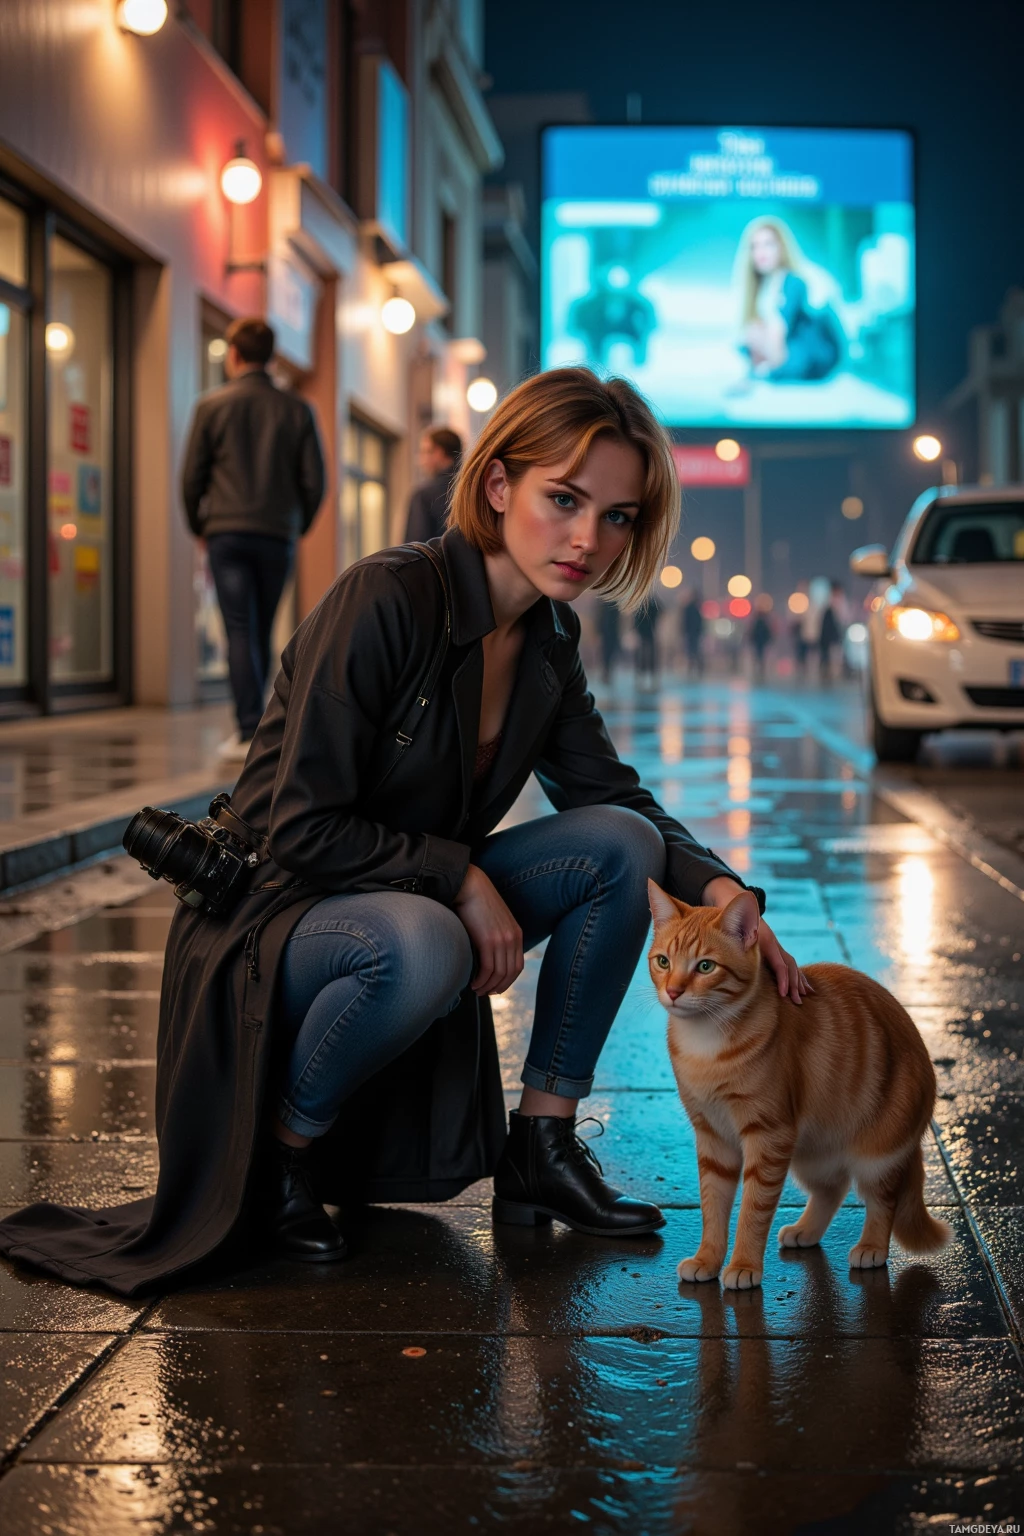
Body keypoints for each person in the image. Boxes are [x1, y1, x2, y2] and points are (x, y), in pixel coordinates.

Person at [0, 368, 809, 1294]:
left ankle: (541, 1146)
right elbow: (302, 828)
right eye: (564, 499)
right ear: (499, 486)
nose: (588, 538)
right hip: (279, 910)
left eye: (617, 516)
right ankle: (279, 1156)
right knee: (425, 940)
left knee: (619, 846)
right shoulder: (387, 597)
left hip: (404, 890)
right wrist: (460, 876)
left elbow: (621, 799)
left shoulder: (548, 641)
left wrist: (727, 897)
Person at [182, 317, 325, 761]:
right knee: (261, 628)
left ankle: (247, 729)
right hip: (275, 534)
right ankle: (262, 728)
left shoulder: (211, 406)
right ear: (271, 356)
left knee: (239, 628)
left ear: (235, 354)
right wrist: (294, 526)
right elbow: (315, 481)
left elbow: (191, 478)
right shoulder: (297, 408)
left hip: (226, 532)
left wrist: (199, 527)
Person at [733, 219, 843, 386]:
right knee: (749, 337)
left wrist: (768, 366)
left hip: (815, 354)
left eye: (768, 244)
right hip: (791, 349)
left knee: (755, 338)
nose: (761, 252)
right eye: (755, 246)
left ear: (781, 248)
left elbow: (778, 333)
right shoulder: (765, 286)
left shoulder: (792, 281)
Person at [405, 426, 462, 542]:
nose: (420, 460)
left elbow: (414, 548)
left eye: (425, 452)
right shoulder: (475, 488)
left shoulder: (424, 495)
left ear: (438, 453)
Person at [633, 592, 661, 687]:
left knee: (648, 657)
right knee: (643, 657)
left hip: (648, 633)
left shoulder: (651, 602)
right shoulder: (642, 603)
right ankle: (643, 678)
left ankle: (649, 678)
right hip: (644, 633)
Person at [750, 597, 773, 681]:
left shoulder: (761, 619)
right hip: (759, 640)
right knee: (759, 654)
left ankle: (759, 667)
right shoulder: (760, 619)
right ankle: (759, 667)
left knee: (759, 654)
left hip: (760, 640)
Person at [682, 591, 704, 676]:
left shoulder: (690, 608)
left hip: (692, 634)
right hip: (694, 634)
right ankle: (695, 669)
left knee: (692, 652)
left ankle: (692, 669)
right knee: (694, 652)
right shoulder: (696, 608)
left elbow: (685, 622)